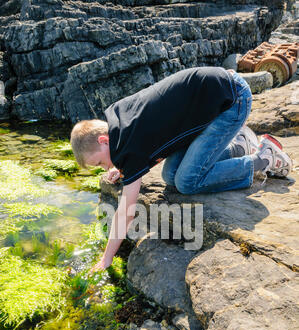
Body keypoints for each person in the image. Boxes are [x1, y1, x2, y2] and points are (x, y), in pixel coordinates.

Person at [70, 66, 293, 272]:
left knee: (187, 181)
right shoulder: (118, 119)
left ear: (103, 140)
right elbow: (152, 141)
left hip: (233, 101)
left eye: (100, 162)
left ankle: (263, 158)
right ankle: (238, 145)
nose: (104, 167)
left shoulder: (129, 148)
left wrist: (106, 258)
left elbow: (126, 210)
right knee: (169, 176)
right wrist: (121, 168)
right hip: (216, 92)